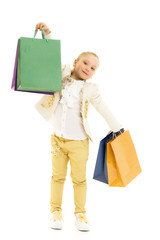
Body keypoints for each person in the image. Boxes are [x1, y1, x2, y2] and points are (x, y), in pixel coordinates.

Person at [34, 22, 123, 231]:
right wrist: (47, 35)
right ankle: (55, 211)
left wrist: (118, 128)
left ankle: (80, 214)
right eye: (85, 63)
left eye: (93, 68)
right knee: (57, 177)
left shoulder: (91, 89)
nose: (88, 68)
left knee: (79, 179)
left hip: (80, 143)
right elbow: (50, 58)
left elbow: (103, 108)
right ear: (75, 62)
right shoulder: (62, 73)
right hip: (57, 139)